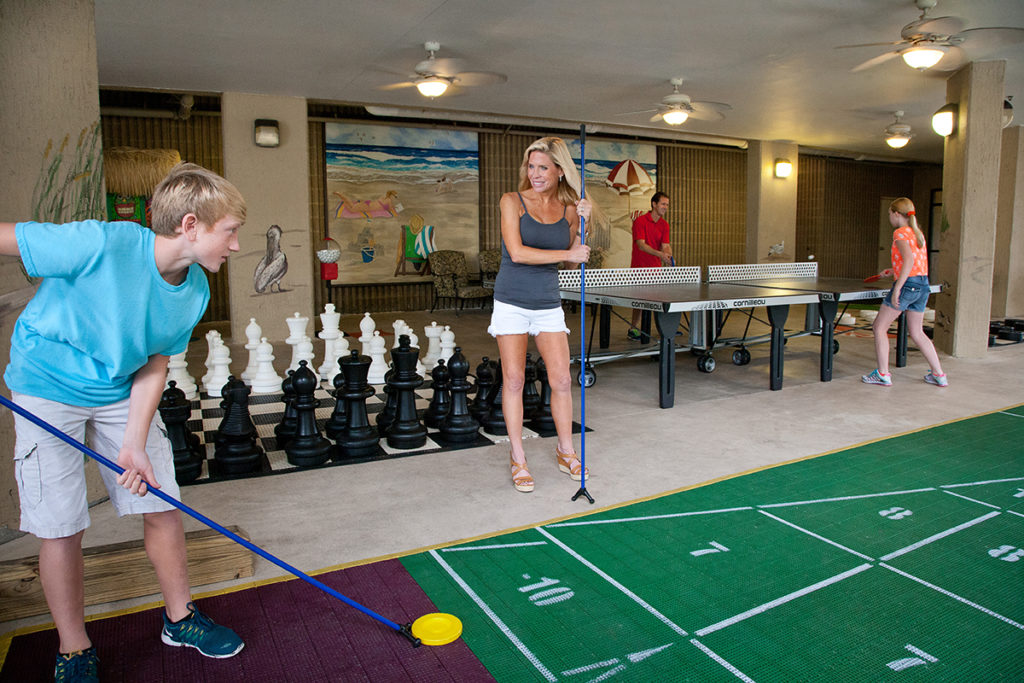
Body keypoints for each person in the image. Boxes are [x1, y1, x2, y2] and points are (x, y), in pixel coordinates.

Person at [1, 163, 247, 682]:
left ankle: (179, 619)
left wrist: (133, 443)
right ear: (190, 225)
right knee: (61, 525)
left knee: (161, 501)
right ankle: (74, 648)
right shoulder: (99, 243)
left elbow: (155, 360)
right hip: (46, 386)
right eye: (230, 230)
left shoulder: (195, 289)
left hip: (119, 386)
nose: (237, 245)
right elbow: (8, 239)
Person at [489, 137, 592, 492]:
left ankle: (566, 450)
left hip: (548, 303)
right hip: (512, 301)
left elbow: (572, 253)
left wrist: (583, 222)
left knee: (562, 380)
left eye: (542, 168)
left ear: (560, 171)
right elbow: (516, 253)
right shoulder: (511, 202)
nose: (534, 174)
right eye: (530, 166)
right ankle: (518, 457)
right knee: (515, 381)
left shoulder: (567, 209)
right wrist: (569, 254)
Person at [862, 196, 947, 387]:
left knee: (879, 327)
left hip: (908, 286)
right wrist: (893, 271)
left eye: (889, 214)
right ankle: (939, 374)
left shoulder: (899, 233)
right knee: (917, 332)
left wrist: (897, 288)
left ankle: (883, 374)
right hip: (922, 285)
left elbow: (908, 261)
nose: (889, 218)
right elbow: (915, 263)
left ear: (896, 214)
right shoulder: (917, 234)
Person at [627, 191, 673, 341]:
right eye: (663, 204)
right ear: (654, 204)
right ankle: (633, 328)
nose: (666, 207)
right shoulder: (640, 221)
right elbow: (641, 245)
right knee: (640, 301)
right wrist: (660, 254)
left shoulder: (664, 225)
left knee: (657, 301)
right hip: (640, 268)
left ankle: (662, 330)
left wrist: (668, 254)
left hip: (656, 270)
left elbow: (665, 244)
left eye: (667, 204)